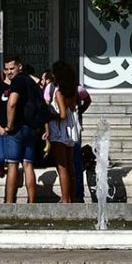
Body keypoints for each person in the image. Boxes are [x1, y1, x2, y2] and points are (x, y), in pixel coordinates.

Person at [4, 56, 39, 203]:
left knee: (12, 165)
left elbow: (12, 103)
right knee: (28, 165)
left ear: (20, 66)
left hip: (17, 128)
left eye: (12, 68)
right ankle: (31, 202)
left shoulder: (17, 81)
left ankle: (9, 202)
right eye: (6, 69)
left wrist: (10, 125)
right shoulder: (31, 81)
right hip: (31, 128)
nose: (9, 72)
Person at [44, 61, 77, 203]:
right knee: (70, 167)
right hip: (71, 130)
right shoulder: (73, 90)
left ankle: (65, 199)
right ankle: (72, 197)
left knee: (61, 167)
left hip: (59, 131)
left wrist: (50, 115)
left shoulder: (58, 92)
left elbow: (62, 115)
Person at [74, 84, 92, 202]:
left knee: (75, 161)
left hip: (74, 127)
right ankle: (75, 194)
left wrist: (80, 111)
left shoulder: (77, 88)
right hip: (70, 128)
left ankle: (78, 194)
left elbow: (87, 100)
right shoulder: (53, 88)